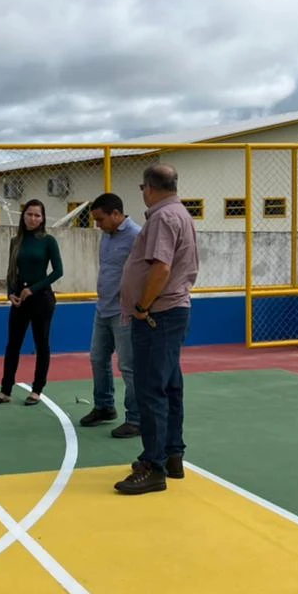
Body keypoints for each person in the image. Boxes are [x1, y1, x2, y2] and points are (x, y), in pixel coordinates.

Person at [115, 163, 198, 495]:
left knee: (151, 390)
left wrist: (142, 306)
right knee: (169, 386)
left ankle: (154, 465)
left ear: (149, 188)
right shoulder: (181, 213)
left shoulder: (163, 218)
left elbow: (161, 268)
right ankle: (171, 454)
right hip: (171, 312)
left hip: (158, 315)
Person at [0, 199, 64, 407]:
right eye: (29, 214)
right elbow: (11, 270)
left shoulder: (48, 241)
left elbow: (58, 271)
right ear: (23, 216)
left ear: (43, 218)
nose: (33, 218)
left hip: (41, 298)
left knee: (41, 344)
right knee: (13, 344)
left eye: (37, 215)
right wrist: (10, 292)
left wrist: (33, 289)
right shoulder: (16, 241)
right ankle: (5, 390)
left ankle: (37, 390)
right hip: (20, 299)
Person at [82, 193, 142, 438]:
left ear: (116, 214)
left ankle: (136, 419)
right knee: (98, 358)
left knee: (128, 366)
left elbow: (145, 272)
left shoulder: (137, 236)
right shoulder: (107, 236)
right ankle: (104, 406)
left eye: (100, 219)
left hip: (124, 311)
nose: (98, 225)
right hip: (103, 308)